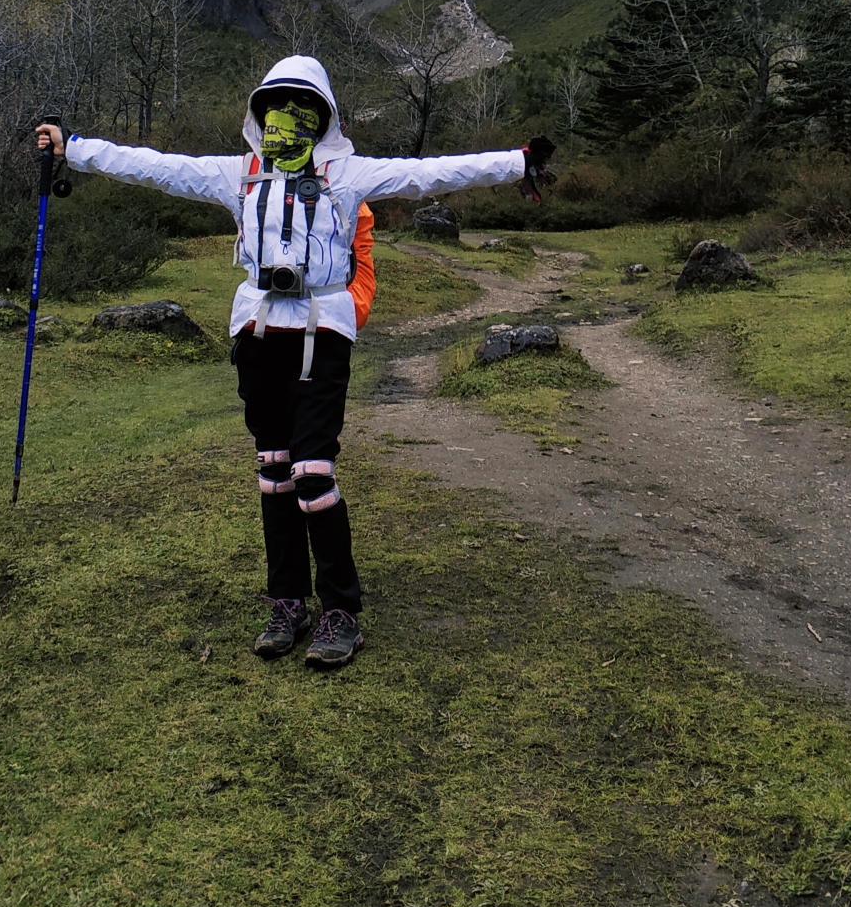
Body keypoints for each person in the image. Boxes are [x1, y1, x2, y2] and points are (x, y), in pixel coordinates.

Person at [36, 54, 555, 670]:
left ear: (325, 116)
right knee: (275, 469)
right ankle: (287, 601)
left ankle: (341, 611)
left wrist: (517, 162)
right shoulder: (242, 173)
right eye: (275, 106)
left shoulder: (348, 174)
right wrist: (75, 148)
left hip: (319, 331)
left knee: (312, 471)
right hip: (258, 330)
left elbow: (431, 173)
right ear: (259, 112)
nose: (287, 119)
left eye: (301, 108)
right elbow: (157, 167)